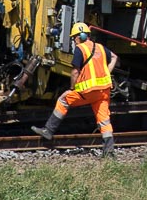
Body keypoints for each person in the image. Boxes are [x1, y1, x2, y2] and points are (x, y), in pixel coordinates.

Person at [33, 22, 119, 156]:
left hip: (88, 91)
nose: (74, 40)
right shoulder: (100, 47)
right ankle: (109, 152)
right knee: (104, 120)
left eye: (74, 38)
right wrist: (106, 72)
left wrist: (72, 88)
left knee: (63, 100)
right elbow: (114, 57)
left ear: (81, 36)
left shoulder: (80, 49)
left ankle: (48, 130)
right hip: (104, 91)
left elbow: (74, 72)